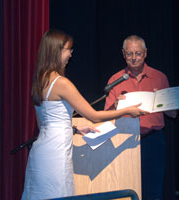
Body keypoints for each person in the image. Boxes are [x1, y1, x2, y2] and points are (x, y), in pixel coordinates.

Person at [21, 30, 148, 200]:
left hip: (42, 151)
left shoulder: (40, 80)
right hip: (56, 154)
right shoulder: (61, 83)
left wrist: (74, 129)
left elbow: (44, 124)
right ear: (56, 51)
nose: (71, 54)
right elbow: (93, 115)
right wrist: (126, 111)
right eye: (68, 49)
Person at [104, 35, 177, 200]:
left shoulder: (159, 77)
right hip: (124, 140)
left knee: (153, 191)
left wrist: (162, 101)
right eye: (129, 54)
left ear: (145, 53)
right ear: (123, 54)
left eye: (138, 53)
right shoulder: (115, 80)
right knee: (125, 189)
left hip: (153, 141)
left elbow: (173, 114)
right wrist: (116, 106)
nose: (134, 58)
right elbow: (105, 117)